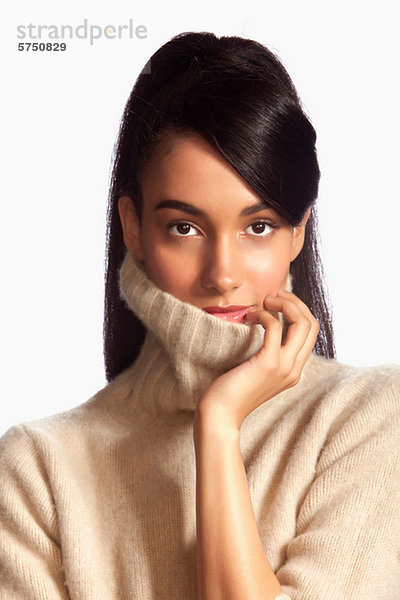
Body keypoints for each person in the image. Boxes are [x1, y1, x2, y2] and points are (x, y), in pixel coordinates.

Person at [1, 31, 399, 600]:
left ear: (298, 232)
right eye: (184, 228)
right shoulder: (38, 468)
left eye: (257, 226)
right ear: (134, 228)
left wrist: (217, 426)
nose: (222, 273)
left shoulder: (369, 421)